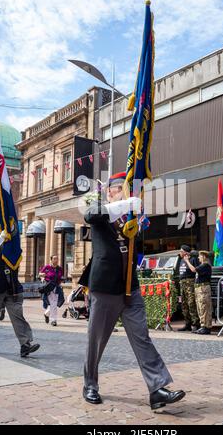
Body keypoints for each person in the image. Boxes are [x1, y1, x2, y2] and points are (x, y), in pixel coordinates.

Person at [81, 172, 185, 410]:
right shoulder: (101, 208)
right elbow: (90, 216)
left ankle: (157, 388)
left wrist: (132, 209)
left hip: (130, 287)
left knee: (142, 339)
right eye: (117, 189)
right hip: (105, 286)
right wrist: (125, 204)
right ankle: (90, 385)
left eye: (124, 190)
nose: (119, 192)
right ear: (110, 192)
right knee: (96, 341)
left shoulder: (132, 217)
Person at [0, 230, 40, 357]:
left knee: (17, 316)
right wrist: (1, 238)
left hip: (12, 289)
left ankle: (25, 345)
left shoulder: (14, 250)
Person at [184, 250, 213, 334]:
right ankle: (202, 326)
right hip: (199, 288)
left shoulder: (205, 265)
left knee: (204, 307)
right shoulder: (202, 265)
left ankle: (206, 327)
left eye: (200, 256)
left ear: (204, 257)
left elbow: (193, 269)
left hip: (203, 288)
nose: (198, 257)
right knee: (200, 307)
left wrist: (187, 261)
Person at [174, 245, 200, 332]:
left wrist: (187, 260)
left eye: (181, 251)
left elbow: (195, 270)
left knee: (191, 303)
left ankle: (196, 324)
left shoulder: (193, 259)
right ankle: (187, 323)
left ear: (186, 252)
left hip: (190, 283)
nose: (180, 253)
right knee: (184, 305)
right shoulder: (181, 260)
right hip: (183, 283)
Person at [39, 255, 64, 327]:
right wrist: (42, 275)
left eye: (57, 259)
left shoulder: (59, 268)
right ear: (51, 260)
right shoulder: (47, 267)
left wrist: (61, 280)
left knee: (54, 303)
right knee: (53, 303)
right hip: (48, 287)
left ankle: (47, 314)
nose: (56, 260)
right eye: (54, 259)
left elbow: (61, 276)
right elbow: (40, 274)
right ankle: (53, 320)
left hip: (56, 287)